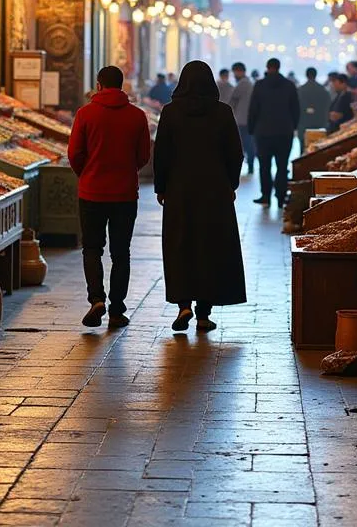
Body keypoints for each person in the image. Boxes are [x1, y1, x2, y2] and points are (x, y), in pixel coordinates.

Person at [153, 61, 247, 332]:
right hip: (214, 191)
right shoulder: (222, 112)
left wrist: (161, 187)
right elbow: (235, 153)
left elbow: (162, 154)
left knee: (181, 246)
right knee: (210, 248)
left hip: (179, 191)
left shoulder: (171, 112)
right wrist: (230, 184)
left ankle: (184, 306)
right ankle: (204, 313)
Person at [68, 66, 151, 329]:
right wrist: (126, 171)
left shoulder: (85, 114)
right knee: (121, 252)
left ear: (99, 85)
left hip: (91, 192)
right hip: (125, 194)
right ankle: (117, 309)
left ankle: (96, 299)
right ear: (122, 85)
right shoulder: (137, 116)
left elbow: (74, 153)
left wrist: (88, 173)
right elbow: (143, 156)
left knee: (92, 248)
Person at [246, 57, 300, 208]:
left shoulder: (260, 85)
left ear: (267, 67)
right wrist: (292, 126)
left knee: (264, 166)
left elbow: (253, 109)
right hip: (284, 132)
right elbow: (295, 109)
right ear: (279, 67)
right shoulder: (289, 85)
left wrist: (251, 129)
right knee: (282, 165)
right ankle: (281, 196)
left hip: (263, 132)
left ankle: (266, 195)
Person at [228, 61, 255, 175]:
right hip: (249, 119)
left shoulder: (242, 83)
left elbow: (232, 100)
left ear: (239, 71)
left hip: (242, 120)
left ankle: (243, 166)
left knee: (242, 144)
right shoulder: (249, 83)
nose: (234, 75)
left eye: (234, 72)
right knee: (249, 143)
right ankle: (250, 165)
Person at [296, 66, 331, 149]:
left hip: (304, 124)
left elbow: (296, 107)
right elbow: (328, 105)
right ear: (316, 75)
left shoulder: (300, 90)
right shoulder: (323, 90)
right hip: (320, 124)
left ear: (306, 75)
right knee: (319, 149)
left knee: (303, 148)